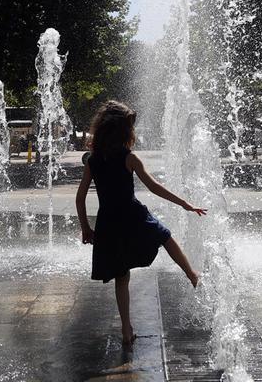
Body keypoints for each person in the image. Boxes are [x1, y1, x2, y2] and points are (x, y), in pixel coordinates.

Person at [76, 100, 205, 346]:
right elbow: (154, 187)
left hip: (108, 222)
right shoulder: (129, 158)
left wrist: (85, 227)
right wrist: (184, 204)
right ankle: (192, 275)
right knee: (165, 236)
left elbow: (80, 196)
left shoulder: (93, 160)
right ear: (125, 132)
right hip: (132, 216)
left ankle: (126, 329)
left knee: (121, 275)